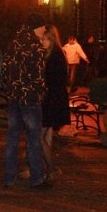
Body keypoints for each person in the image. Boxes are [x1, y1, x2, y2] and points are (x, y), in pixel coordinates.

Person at [1, 13, 49, 190]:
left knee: (12, 136)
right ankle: (36, 177)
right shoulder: (35, 47)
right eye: (43, 26)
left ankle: (9, 176)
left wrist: (10, 89)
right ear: (37, 27)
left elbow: (4, 69)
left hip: (14, 96)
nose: (45, 30)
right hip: (30, 98)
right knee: (33, 137)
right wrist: (40, 93)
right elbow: (39, 76)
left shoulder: (14, 43)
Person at [40, 25, 70, 181]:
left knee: (39, 136)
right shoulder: (57, 54)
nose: (41, 42)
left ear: (50, 39)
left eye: (43, 39)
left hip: (52, 99)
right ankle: (47, 169)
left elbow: (51, 79)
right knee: (44, 135)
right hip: (55, 98)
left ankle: (49, 169)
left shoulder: (54, 56)